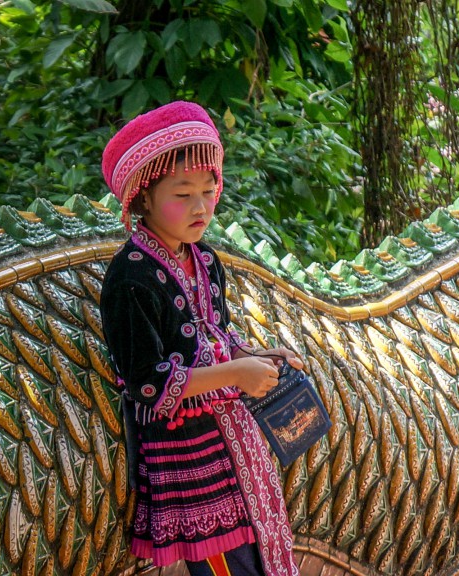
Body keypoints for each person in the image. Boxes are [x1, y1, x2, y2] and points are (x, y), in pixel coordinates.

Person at [99, 101, 303, 576]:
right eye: (183, 192)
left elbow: (217, 333)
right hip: (187, 457)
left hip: (234, 445)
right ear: (142, 199)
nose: (200, 206)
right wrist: (235, 373)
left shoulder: (205, 259)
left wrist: (257, 356)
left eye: (209, 191)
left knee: (260, 554)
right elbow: (146, 384)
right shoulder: (130, 278)